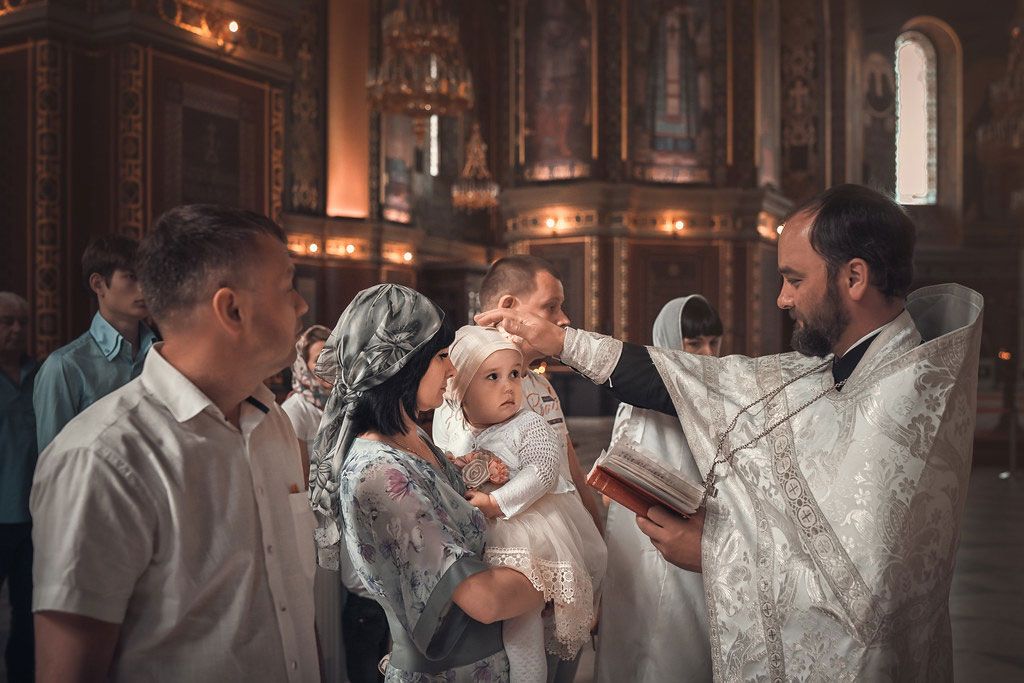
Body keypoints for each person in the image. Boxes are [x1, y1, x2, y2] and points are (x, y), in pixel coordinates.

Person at [477, 184, 983, 680]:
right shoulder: (838, 367)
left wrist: (712, 553)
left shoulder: (909, 405)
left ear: (854, 277)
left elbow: (868, 597)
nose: (783, 298)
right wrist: (559, 341)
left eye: (794, 279)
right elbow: (693, 383)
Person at [30, 205, 319, 682]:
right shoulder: (104, 457)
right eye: (287, 284)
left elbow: (291, 617)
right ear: (232, 309)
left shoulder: (270, 423)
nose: (301, 305)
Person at [308, 284, 545, 681]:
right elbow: (483, 600)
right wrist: (562, 577)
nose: (452, 370)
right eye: (440, 357)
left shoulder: (414, 437)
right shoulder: (379, 472)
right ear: (399, 363)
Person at [432, 256, 604, 682]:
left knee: (562, 654)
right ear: (508, 305)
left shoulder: (539, 385)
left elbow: (564, 467)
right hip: (498, 559)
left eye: (512, 374)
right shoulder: (459, 388)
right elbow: (463, 483)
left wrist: (593, 542)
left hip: (552, 537)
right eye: (551, 306)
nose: (564, 319)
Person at [597, 295, 721, 683]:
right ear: (669, 342)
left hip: (695, 531)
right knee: (638, 620)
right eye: (694, 344)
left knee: (683, 634)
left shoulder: (717, 397)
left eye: (713, 343)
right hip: (638, 534)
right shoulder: (640, 401)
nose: (707, 354)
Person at [282, 324, 389, 683]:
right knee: (328, 613)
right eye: (318, 360)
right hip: (320, 523)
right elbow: (300, 481)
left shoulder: (347, 404)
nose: (329, 367)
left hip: (353, 515)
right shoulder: (296, 411)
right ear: (303, 366)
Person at [32, 235, 156, 451]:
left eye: (147, 278)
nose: (144, 289)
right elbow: (54, 464)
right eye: (131, 277)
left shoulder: (162, 354)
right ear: (98, 284)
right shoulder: (65, 366)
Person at [0, 292, 38, 682]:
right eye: (6, 322)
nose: (15, 330)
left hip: (35, 516)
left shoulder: (43, 372)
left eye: (22, 323)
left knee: (30, 612)